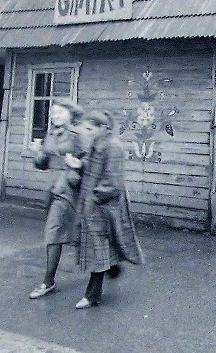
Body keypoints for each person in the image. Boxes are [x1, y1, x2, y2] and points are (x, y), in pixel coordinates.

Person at [73, 110, 144, 309]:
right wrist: (79, 165)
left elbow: (113, 182)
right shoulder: (97, 143)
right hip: (94, 202)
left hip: (105, 205)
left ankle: (92, 295)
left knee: (97, 247)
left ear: (102, 128)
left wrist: (94, 198)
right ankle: (112, 267)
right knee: (101, 246)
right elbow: (92, 166)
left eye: (89, 129)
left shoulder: (113, 147)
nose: (85, 132)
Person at [28, 99, 84, 300]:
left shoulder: (79, 134)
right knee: (73, 231)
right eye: (53, 113)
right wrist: (38, 153)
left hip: (71, 189)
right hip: (53, 188)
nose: (55, 116)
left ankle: (48, 281)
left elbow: (92, 159)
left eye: (59, 112)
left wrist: (77, 164)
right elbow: (43, 164)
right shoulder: (50, 134)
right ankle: (107, 265)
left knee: (54, 231)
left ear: (70, 114)